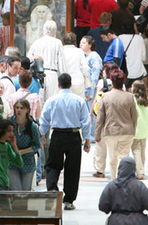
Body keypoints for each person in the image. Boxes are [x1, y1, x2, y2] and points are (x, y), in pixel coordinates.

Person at [39, 73, 91, 210]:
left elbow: (44, 120)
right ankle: (69, 200)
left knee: (53, 164)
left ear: (58, 85)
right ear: (71, 84)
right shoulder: (79, 100)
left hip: (57, 135)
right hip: (74, 136)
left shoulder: (52, 100)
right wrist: (87, 139)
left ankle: (52, 190)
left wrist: (42, 135)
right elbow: (86, 121)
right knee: (73, 168)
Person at [95, 69, 137, 179]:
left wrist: (97, 134)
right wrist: (134, 130)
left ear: (112, 81)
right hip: (127, 131)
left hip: (110, 131)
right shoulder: (129, 97)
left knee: (112, 159)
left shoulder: (105, 96)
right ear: (123, 81)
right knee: (123, 158)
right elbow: (134, 116)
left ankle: (114, 181)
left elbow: (100, 117)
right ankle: (123, 179)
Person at [98, 157, 148, 225]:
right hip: (137, 221)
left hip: (116, 221)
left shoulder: (111, 186)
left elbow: (103, 206)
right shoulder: (140, 186)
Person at [27, 20, 67, 101]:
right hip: (52, 74)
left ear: (43, 30)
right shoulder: (58, 43)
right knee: (51, 101)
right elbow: (61, 63)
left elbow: (29, 59)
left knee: (39, 100)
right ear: (55, 32)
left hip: (38, 74)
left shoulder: (36, 42)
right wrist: (64, 79)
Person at [8, 99, 42, 191]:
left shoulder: (32, 126)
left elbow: (37, 145)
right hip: (12, 161)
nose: (18, 110)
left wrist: (22, 151)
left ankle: (24, 205)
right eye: (17, 108)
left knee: (25, 191)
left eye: (21, 108)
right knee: (16, 190)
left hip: (27, 161)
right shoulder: (10, 123)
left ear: (27, 110)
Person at [92, 62, 118, 178]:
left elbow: (97, 97)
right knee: (114, 146)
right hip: (115, 116)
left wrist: (92, 110)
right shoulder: (119, 83)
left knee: (100, 144)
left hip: (103, 116)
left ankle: (100, 170)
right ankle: (116, 170)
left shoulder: (102, 82)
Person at [80, 35, 102, 137]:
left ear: (90, 45)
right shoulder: (84, 56)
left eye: (84, 43)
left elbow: (95, 76)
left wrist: (90, 91)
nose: (81, 44)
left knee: (92, 112)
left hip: (91, 88)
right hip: (86, 87)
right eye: (81, 42)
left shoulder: (94, 57)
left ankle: (93, 134)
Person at [130, 81, 148, 179]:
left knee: (136, 150)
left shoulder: (133, 100)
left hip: (136, 129)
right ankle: (142, 169)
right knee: (142, 150)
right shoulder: (147, 101)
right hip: (145, 129)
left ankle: (140, 172)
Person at [119, 20, 147, 89]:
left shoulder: (120, 38)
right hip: (137, 70)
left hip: (124, 70)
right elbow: (143, 57)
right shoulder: (139, 38)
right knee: (137, 91)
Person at [62, 32, 90, 97]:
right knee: (79, 103)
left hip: (64, 82)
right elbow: (85, 67)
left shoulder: (61, 51)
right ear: (74, 41)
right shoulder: (79, 51)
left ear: (63, 41)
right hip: (78, 81)